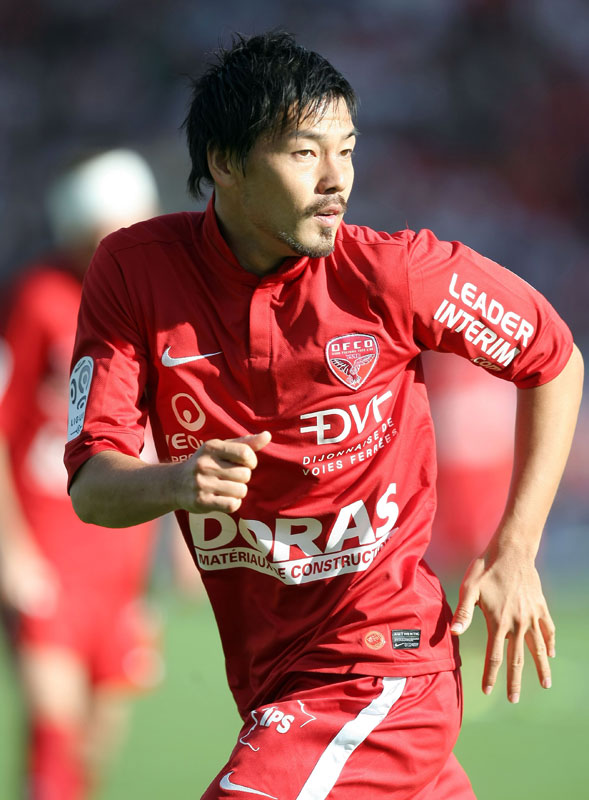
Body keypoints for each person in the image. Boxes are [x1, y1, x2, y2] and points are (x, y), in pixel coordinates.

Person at [64, 32, 584, 800]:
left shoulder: (391, 273)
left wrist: (516, 546)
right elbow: (92, 486)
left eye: (347, 150)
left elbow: (553, 359)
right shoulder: (134, 271)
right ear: (225, 163)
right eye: (305, 153)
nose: (336, 179)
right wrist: (174, 481)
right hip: (272, 679)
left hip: (381, 662)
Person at [0, 149, 163, 800]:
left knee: (95, 743)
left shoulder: (155, 304)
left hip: (122, 555)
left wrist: (175, 554)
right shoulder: (39, 298)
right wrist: (12, 551)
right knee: (54, 729)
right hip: (50, 543)